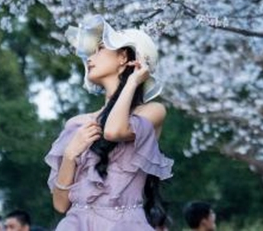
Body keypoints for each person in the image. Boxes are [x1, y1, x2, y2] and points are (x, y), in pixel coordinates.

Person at [46, 15, 173, 230]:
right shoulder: (77, 124)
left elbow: (114, 131)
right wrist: (70, 155)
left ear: (123, 57)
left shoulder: (152, 112)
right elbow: (60, 204)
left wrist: (133, 81)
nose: (89, 58)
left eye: (100, 49)